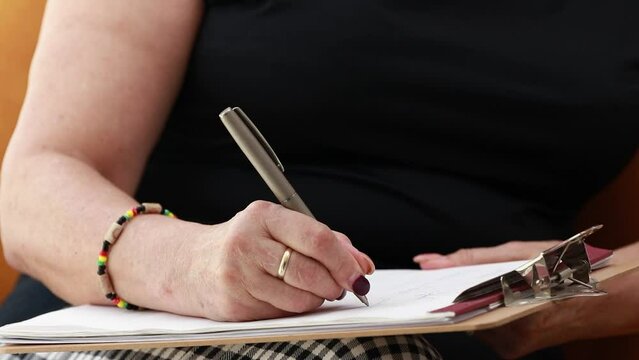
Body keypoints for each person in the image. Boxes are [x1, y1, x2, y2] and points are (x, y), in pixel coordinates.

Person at [0, 0, 638, 359]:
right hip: (129, 320)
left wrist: (586, 294)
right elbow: (32, 191)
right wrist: (190, 265)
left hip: (453, 333)